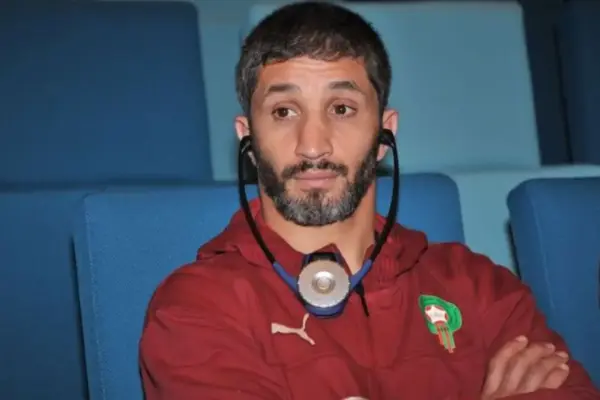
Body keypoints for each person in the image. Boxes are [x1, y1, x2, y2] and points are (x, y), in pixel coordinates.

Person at [139, 2, 600, 399]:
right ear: (249, 140)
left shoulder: (480, 288)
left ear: (384, 134)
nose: (313, 145)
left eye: (341, 109)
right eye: (284, 111)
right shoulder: (197, 308)